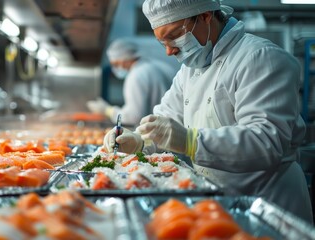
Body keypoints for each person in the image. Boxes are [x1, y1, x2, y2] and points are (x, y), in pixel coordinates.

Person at [103, 0, 313, 223]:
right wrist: (139, 140)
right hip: (218, 204)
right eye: (162, 41)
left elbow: (266, 143)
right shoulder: (189, 71)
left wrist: (192, 142)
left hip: (267, 206)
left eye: (174, 35)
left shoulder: (261, 58)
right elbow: (165, 119)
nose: (169, 50)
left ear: (205, 16)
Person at [86, 39, 178, 126]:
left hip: (157, 134)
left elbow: (134, 117)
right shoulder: (162, 66)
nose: (115, 69)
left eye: (115, 64)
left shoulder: (135, 76)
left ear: (123, 60)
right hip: (174, 126)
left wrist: (108, 110)